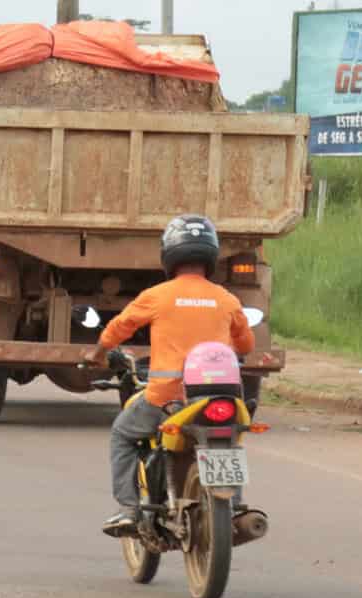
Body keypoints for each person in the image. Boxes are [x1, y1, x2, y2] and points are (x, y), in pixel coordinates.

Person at [89, 213, 256, 538]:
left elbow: (117, 329)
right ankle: (235, 504)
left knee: (123, 434)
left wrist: (96, 354)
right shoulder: (226, 299)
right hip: (220, 399)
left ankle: (129, 510)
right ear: (211, 255)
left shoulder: (158, 295)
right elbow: (245, 344)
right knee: (230, 440)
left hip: (166, 400)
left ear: (169, 254)